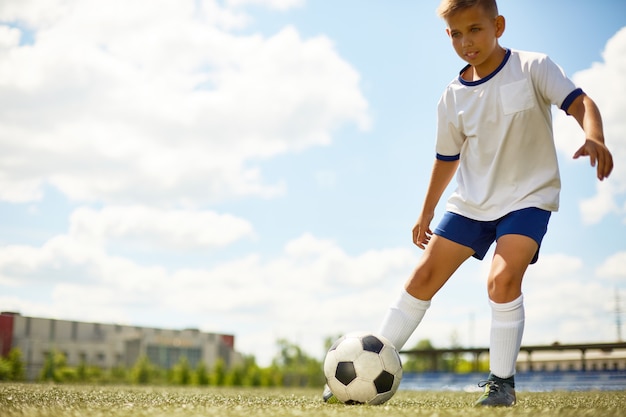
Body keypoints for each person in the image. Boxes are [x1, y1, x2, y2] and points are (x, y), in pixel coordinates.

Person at [324, 0, 614, 407]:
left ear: (498, 25)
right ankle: (356, 375)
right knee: (421, 278)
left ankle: (502, 384)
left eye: (475, 29)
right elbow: (446, 159)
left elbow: (580, 103)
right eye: (457, 34)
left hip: (528, 199)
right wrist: (426, 212)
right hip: (471, 204)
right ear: (448, 36)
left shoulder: (533, 67)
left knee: (501, 280)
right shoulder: (453, 97)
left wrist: (594, 135)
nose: (467, 42)